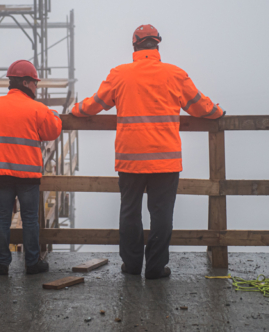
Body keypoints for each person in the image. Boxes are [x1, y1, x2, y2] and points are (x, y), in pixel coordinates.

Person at [72, 24, 224, 279]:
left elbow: (94, 104)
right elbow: (200, 106)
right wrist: (218, 113)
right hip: (166, 160)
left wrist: (75, 111)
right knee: (162, 215)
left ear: (134, 46)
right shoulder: (175, 74)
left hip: (130, 160)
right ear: (157, 45)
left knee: (129, 213)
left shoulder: (120, 74)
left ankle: (131, 266)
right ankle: (155, 267)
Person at [0, 59, 62, 275]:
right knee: (30, 219)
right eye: (35, 83)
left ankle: (2, 263)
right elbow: (53, 131)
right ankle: (32, 263)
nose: (37, 87)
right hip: (28, 174)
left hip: (1, 172)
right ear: (27, 83)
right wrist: (54, 114)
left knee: (2, 217)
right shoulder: (38, 109)